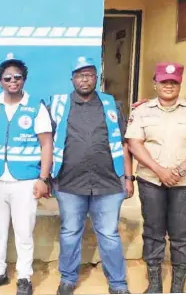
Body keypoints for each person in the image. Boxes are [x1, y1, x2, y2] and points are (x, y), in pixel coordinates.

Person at [48, 56, 133, 295]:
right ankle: (68, 278)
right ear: (72, 79)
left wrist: (128, 178)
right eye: (79, 75)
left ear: (96, 78)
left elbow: (124, 143)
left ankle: (117, 283)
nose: (84, 80)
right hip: (69, 182)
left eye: (89, 75)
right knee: (70, 231)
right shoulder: (58, 105)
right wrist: (46, 178)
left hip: (108, 182)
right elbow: (45, 142)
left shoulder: (111, 104)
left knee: (109, 234)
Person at [0, 53, 53, 295]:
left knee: (24, 231)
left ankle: (24, 277)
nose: (13, 81)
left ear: (24, 80)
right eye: (7, 77)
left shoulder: (35, 107)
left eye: (18, 77)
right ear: (0, 81)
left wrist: (43, 179)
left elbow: (46, 145)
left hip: (26, 181)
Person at [125, 62, 186, 294]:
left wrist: (181, 170)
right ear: (155, 84)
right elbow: (134, 143)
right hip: (151, 181)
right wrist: (159, 170)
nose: (169, 86)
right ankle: (154, 285)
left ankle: (177, 287)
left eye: (173, 82)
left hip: (184, 184)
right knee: (153, 231)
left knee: (181, 235)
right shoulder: (141, 110)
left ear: (179, 84)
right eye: (164, 82)